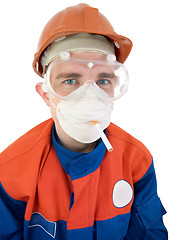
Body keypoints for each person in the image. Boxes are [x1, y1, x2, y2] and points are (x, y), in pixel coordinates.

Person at [0, 3, 168, 240]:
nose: (90, 95)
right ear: (45, 94)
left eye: (103, 80)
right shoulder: (10, 173)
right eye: (70, 80)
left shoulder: (135, 162)